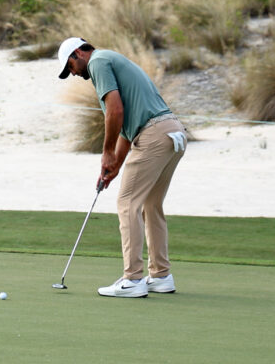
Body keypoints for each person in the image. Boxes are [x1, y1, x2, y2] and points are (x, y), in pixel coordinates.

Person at [57, 37, 188, 298]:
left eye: (69, 67)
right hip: (172, 133)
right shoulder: (112, 59)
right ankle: (160, 276)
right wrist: (115, 164)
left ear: (78, 53)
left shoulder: (97, 62)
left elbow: (115, 111)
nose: (72, 73)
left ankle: (133, 280)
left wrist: (106, 152)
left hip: (153, 134)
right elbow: (127, 126)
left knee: (127, 203)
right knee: (151, 205)